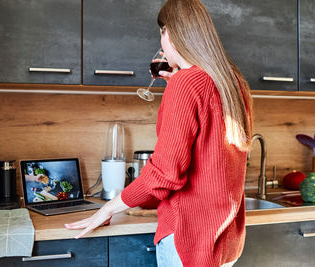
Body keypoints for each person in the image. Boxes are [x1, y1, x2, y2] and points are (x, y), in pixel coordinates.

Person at [65, 0, 253, 266]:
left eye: (161, 33)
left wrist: (108, 208)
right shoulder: (234, 82)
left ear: (171, 33)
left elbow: (165, 174)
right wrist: (178, 87)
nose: (162, 42)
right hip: (225, 242)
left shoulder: (187, 84)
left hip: (188, 242)